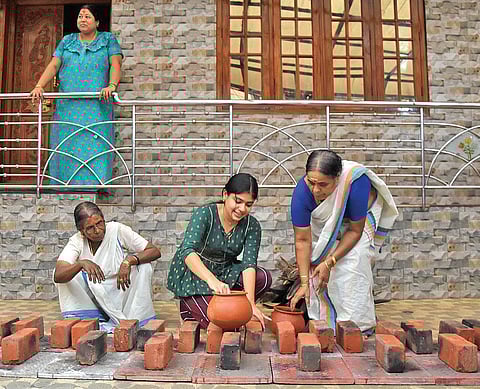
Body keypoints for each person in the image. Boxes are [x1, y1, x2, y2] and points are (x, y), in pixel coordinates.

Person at [289, 150, 399, 333]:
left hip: (359, 222)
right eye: (311, 182)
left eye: (323, 184)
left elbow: (355, 230)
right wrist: (304, 283)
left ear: (337, 179)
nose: (316, 190)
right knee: (316, 265)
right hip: (329, 227)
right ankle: (326, 323)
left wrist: (330, 262)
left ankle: (357, 326)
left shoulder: (355, 183)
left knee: (353, 264)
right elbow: (302, 240)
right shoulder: (302, 192)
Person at [30, 5, 122, 190]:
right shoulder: (67, 41)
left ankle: (96, 187)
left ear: (97, 21)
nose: (83, 19)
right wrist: (39, 85)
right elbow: (54, 65)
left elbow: (115, 63)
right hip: (68, 107)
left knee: (95, 146)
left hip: (96, 106)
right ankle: (63, 186)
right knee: (67, 144)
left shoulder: (108, 39)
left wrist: (111, 86)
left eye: (88, 16)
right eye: (80, 16)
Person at [167, 173, 272, 329]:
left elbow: (249, 264)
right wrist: (212, 281)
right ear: (225, 195)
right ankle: (188, 306)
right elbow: (187, 251)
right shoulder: (205, 214)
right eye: (238, 201)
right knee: (222, 321)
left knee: (263, 278)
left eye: (248, 205)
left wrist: (250, 305)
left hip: (225, 271)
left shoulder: (252, 225)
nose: (242, 209)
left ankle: (231, 304)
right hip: (197, 275)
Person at [54, 201, 161, 331]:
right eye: (90, 228)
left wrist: (129, 261)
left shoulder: (117, 230)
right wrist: (81, 264)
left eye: (99, 223)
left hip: (120, 289)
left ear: (104, 219)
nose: (97, 230)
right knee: (69, 274)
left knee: (144, 267)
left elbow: (154, 251)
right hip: (95, 298)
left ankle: (135, 318)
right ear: (81, 231)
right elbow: (58, 275)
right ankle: (90, 318)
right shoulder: (77, 241)